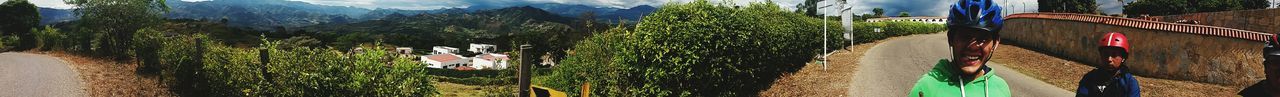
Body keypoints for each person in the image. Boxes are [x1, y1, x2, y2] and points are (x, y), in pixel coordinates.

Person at [907, 0, 1010, 96]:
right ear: (951, 39)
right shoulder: (926, 89)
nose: (973, 47)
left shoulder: (1002, 88)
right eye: (965, 37)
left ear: (995, 43)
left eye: (982, 39)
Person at [1075, 32, 1141, 97]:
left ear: (1123, 58)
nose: (1109, 59)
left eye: (1114, 55)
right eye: (1105, 54)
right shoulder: (1090, 78)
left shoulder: (1130, 83)